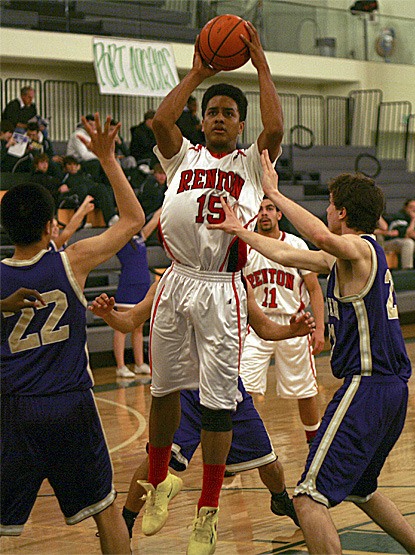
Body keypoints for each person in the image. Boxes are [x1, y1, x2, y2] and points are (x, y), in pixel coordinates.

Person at [208, 153, 415, 555]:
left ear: (341, 212)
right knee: (363, 490)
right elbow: (287, 255)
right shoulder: (347, 257)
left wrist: (274, 191)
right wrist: (240, 231)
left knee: (307, 498)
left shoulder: (359, 249)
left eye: (329, 204)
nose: (325, 210)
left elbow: (323, 239)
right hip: (391, 390)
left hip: (369, 385)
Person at [145, 20, 283, 554]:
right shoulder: (184, 156)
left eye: (228, 113)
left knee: (219, 403)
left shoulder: (251, 164)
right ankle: (160, 483)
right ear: (202, 121)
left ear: (239, 123)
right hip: (178, 281)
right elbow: (160, 119)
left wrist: (261, 65)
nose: (219, 118)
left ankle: (207, 512)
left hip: (222, 286)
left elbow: (273, 129)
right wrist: (200, 71)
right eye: (212, 112)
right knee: (162, 390)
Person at [0, 113, 145, 553]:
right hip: (70, 406)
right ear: (51, 226)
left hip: (12, 410)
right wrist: (107, 158)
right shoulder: (71, 260)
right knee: (104, 511)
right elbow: (133, 218)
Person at [88, 282, 316, 538]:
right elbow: (129, 320)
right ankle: (127, 520)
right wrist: (108, 314)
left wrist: (291, 331)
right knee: (156, 458)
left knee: (269, 463)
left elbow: (263, 327)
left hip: (226, 385)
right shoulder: (171, 281)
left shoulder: (239, 283)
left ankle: (280, 499)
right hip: (184, 387)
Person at [241, 197, 325, 445]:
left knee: (305, 389)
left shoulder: (296, 244)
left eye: (269, 209)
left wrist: (319, 328)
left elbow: (314, 289)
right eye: (259, 210)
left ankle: (315, 442)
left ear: (279, 214)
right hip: (256, 325)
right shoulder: (245, 245)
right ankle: (244, 445)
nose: (264, 214)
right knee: (243, 388)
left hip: (295, 324)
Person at [113, 217, 159, 378]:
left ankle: (139, 363)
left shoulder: (140, 237)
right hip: (128, 286)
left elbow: (154, 221)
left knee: (139, 327)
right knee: (122, 327)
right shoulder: (120, 240)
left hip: (143, 286)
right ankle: (120, 366)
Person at [60, 155, 118, 227]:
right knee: (84, 189)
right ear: (65, 167)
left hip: (91, 196)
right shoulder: (65, 177)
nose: (72, 167)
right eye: (69, 165)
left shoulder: (83, 175)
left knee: (104, 188)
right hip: (78, 197)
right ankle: (82, 220)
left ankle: (112, 217)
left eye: (74, 165)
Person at [384, 199, 415, 269]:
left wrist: (414, 234)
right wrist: (413, 219)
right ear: (405, 208)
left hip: (406, 242)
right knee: (408, 242)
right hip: (391, 243)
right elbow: (406, 234)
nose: (414, 209)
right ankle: (407, 269)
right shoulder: (399, 217)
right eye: (411, 207)